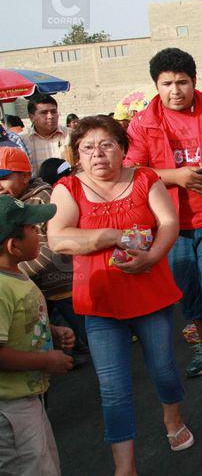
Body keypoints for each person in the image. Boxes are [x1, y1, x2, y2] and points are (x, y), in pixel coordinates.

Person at [48, 116, 193, 473]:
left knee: (163, 370)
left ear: (123, 150)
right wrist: (110, 236)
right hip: (100, 303)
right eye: (88, 148)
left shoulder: (145, 178)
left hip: (151, 294)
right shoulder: (68, 188)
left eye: (107, 145)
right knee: (113, 388)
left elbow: (169, 223)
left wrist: (153, 256)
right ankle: (124, 467)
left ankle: (172, 420)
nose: (98, 154)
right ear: (77, 155)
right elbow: (58, 238)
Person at [124, 48, 202, 399]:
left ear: (194, 82)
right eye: (167, 83)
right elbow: (134, 172)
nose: (175, 90)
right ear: (156, 85)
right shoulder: (142, 122)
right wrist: (176, 176)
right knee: (188, 292)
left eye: (182, 82)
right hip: (170, 224)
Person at [0, 196, 74, 476]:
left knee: (44, 464)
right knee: (32, 468)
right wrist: (45, 362)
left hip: (28, 399)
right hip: (11, 410)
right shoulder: (2, 287)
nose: (39, 232)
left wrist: (51, 331)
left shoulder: (14, 274)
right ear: (13, 245)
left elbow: (21, 320)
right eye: (33, 228)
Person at [0, 148, 87, 366]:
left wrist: (18, 272)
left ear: (25, 176)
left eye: (3, 178)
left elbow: (50, 248)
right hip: (36, 287)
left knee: (83, 331)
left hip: (64, 284)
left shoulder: (44, 197)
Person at [22, 94, 69, 173]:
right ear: (31, 117)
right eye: (44, 113)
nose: (50, 116)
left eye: (53, 112)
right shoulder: (23, 141)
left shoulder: (70, 135)